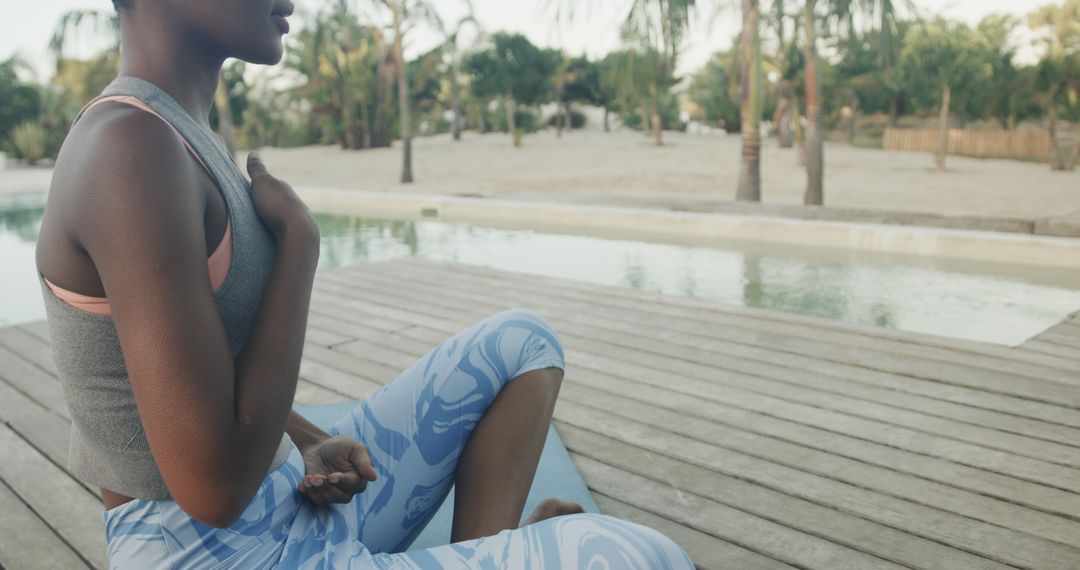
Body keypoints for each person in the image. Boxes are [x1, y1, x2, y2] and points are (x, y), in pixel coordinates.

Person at [34, 0, 695, 567]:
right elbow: (212, 491)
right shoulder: (130, 150)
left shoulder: (173, 129)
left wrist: (305, 438)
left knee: (522, 344)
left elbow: (196, 372)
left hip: (284, 501)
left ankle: (482, 550)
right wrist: (300, 248)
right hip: (211, 553)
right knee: (649, 556)